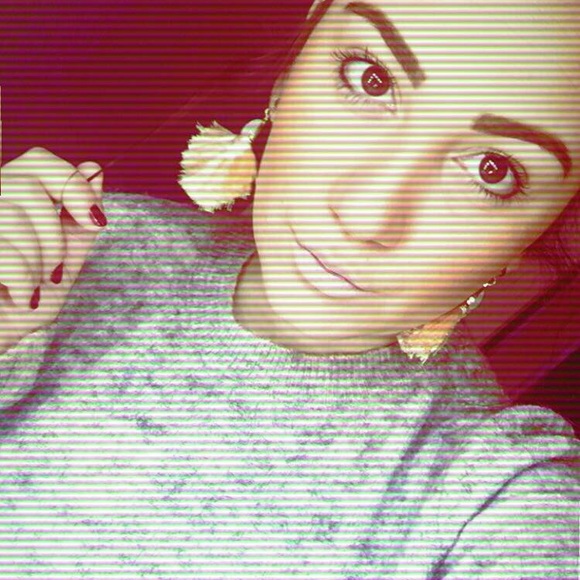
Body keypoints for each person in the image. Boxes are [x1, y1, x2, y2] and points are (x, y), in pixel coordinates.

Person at [0, 0, 578, 578]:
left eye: (493, 170)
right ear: (289, 73)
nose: (366, 214)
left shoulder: (493, 484)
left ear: (530, 238)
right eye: (371, 79)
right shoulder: (85, 246)